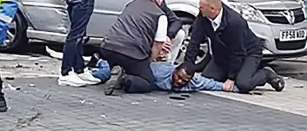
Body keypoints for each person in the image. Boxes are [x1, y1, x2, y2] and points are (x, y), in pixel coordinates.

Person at [184, 0, 285, 93]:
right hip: (222, 54)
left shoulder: (234, 22)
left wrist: (231, 78)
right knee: (208, 80)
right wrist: (186, 69)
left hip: (248, 52)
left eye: (201, 7)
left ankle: (266, 74)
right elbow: (194, 42)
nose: (199, 9)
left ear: (212, 9)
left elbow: (238, 52)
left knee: (243, 84)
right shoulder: (203, 17)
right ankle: (235, 73)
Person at [100, 0, 168, 95]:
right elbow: (158, 44)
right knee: (147, 82)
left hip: (108, 47)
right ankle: (123, 79)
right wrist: (148, 62)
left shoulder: (131, 5)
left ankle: (117, 71)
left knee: (125, 63)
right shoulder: (159, 14)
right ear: (161, 1)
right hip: (132, 53)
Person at [91, 60, 239, 93]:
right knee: (102, 75)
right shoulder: (160, 70)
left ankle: (121, 80)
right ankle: (100, 62)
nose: (179, 81)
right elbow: (139, 67)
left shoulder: (194, 82)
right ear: (174, 71)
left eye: (183, 81)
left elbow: (211, 83)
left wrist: (233, 88)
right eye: (178, 77)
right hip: (136, 70)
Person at [138, 0, 185, 64]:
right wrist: (158, 42)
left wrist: (167, 37)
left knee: (180, 34)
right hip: (142, 38)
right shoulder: (136, 6)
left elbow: (176, 21)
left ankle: (167, 64)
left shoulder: (160, 3)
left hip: (159, 36)